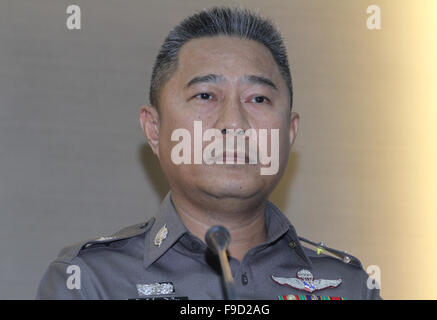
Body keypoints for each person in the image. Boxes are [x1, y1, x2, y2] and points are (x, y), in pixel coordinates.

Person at [36, 6, 381, 300]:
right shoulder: (90, 282)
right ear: (154, 129)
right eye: (205, 95)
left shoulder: (350, 285)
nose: (234, 123)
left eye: (258, 99)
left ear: (289, 133)